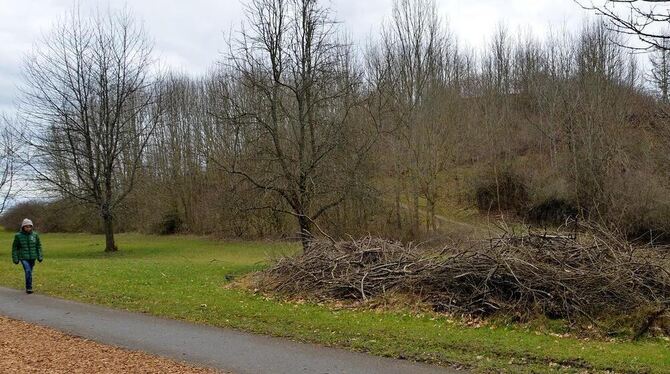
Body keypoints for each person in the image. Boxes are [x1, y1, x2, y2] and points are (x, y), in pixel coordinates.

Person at [11, 218, 43, 294]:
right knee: (28, 271)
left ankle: (29, 285)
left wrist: (40, 256)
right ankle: (29, 287)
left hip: (32, 257)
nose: (28, 228)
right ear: (23, 227)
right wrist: (15, 258)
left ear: (32, 227)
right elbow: (15, 248)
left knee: (29, 272)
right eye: (26, 226)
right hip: (23, 257)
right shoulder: (18, 236)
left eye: (29, 226)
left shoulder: (35, 235)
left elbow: (38, 246)